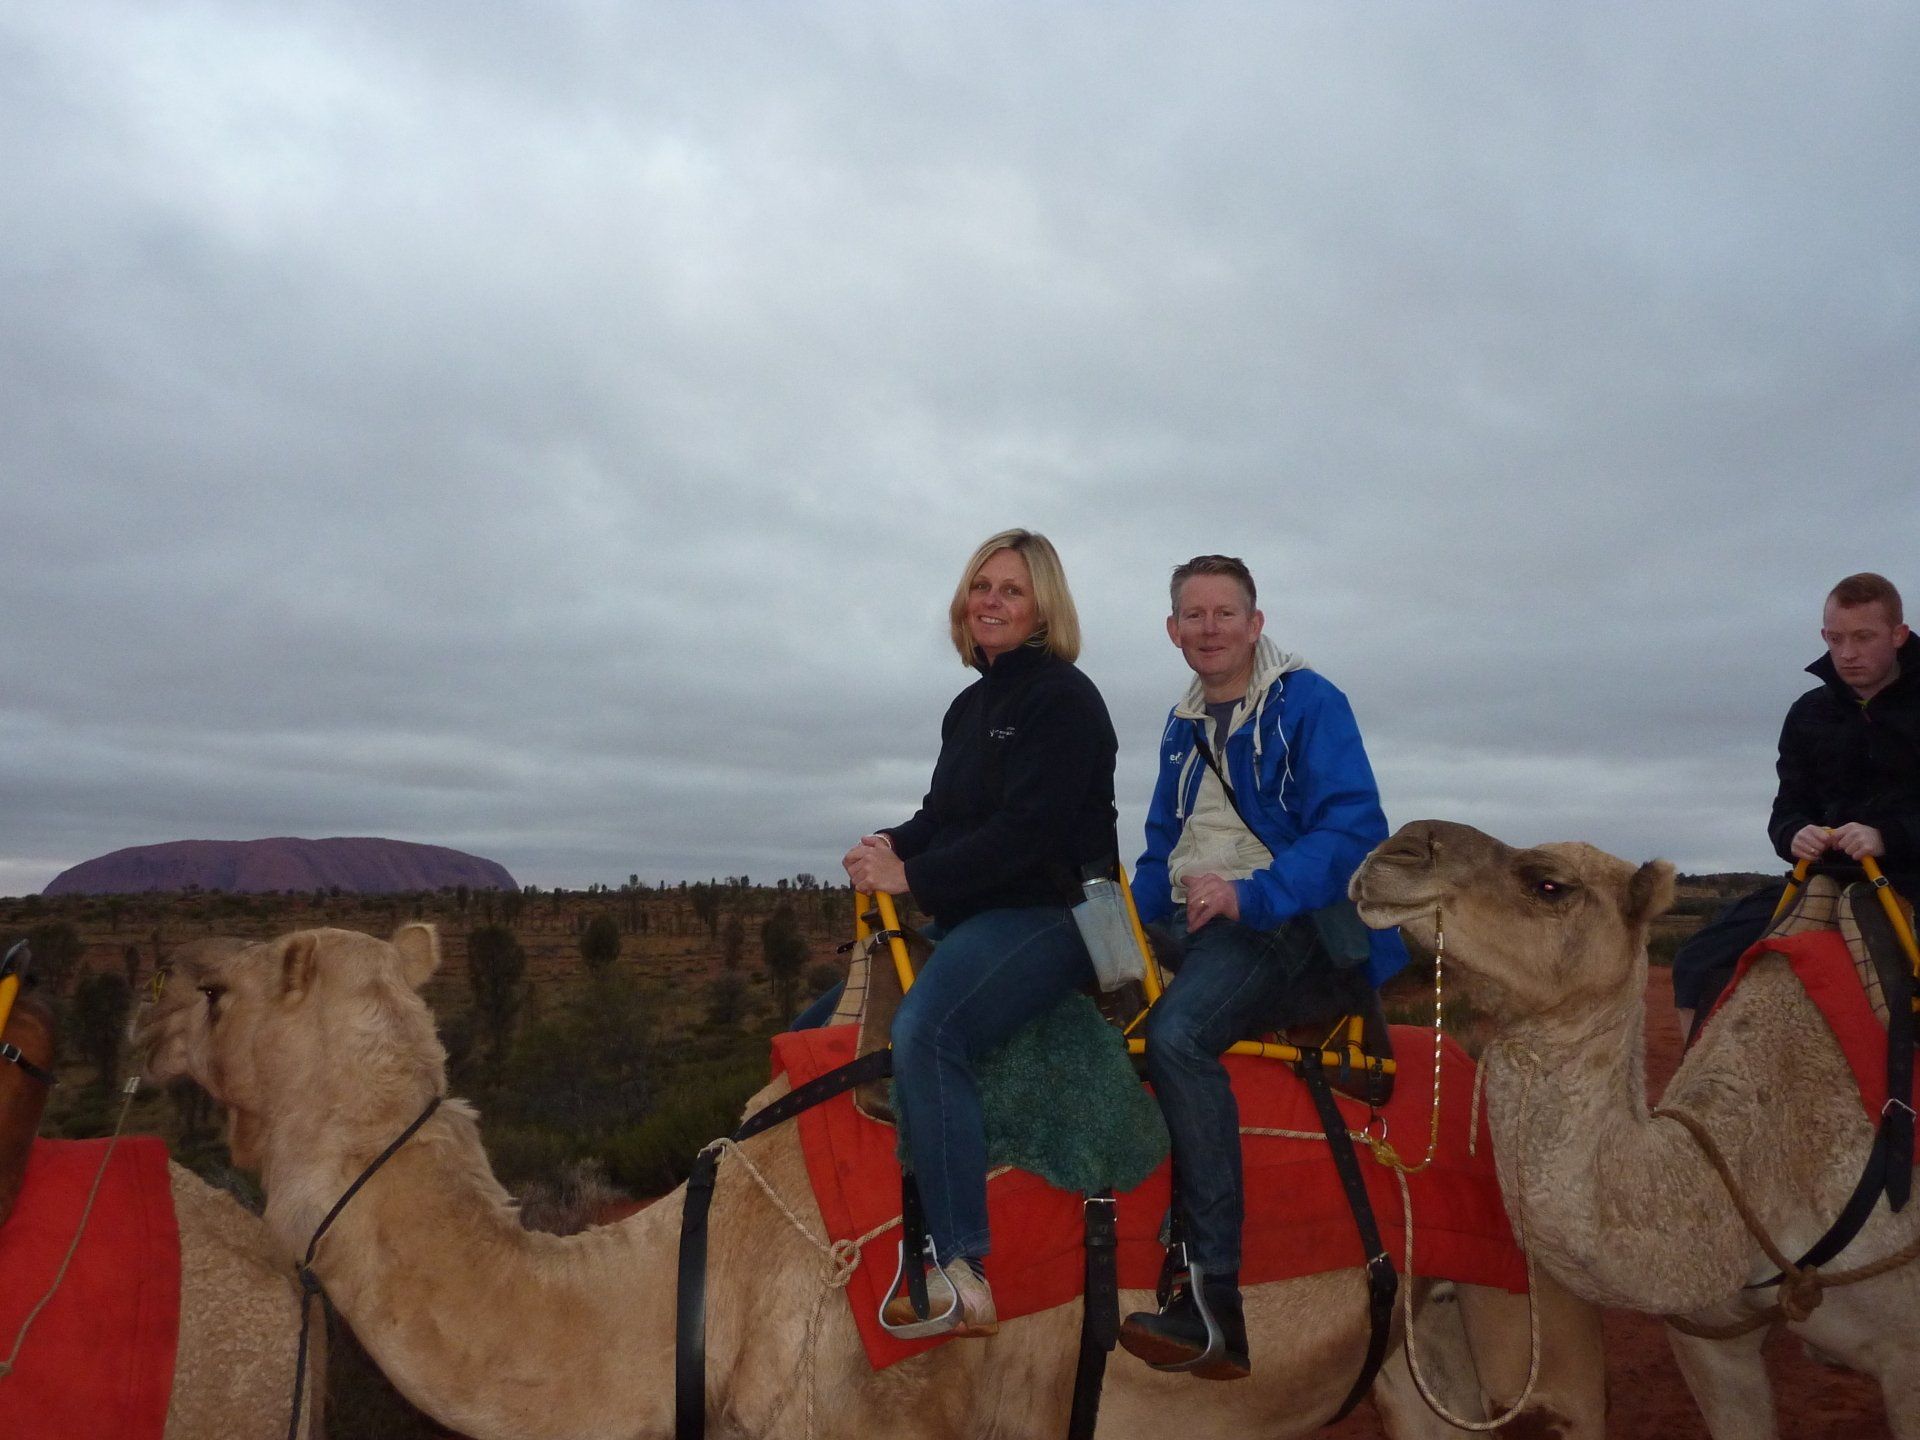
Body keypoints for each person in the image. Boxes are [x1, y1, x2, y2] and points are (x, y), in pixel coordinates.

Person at [1118, 554, 1407, 1380]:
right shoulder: (1180, 726)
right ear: (1172, 631)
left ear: (1256, 622)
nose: (1209, 629)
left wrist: (1257, 895)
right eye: (1193, 616)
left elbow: (1354, 829)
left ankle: (1212, 1305)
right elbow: (1158, 847)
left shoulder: (1311, 702)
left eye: (1225, 613)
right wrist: (1121, 921)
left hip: (1285, 923)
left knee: (1178, 1036)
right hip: (1189, 915)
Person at [842, 528, 1118, 1338]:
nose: (990, 601)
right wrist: (889, 844)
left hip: (1058, 917)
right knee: (827, 1025)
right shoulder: (970, 706)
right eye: (981, 586)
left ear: (1042, 611)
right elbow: (943, 818)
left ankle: (960, 1265)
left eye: (1012, 590)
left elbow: (1030, 833)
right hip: (981, 916)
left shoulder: (1065, 700)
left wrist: (914, 880)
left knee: (928, 1031)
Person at [1673, 572, 1919, 1039]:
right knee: (1697, 962)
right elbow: (1788, 807)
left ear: (1898, 635)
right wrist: (1794, 834)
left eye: (1864, 637)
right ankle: (1697, 1093)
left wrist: (1886, 835)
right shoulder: (1809, 712)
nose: (1847, 653)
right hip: (1822, 876)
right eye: (1835, 638)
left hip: (1910, 875)